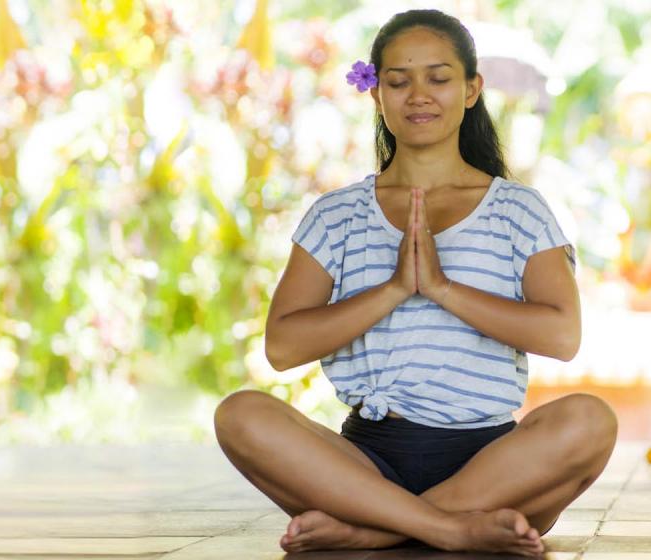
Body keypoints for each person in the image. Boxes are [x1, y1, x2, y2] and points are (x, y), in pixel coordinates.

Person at [213, 9, 617, 557]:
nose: (419, 96)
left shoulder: (520, 210)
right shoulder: (336, 215)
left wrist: (443, 288)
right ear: (376, 94)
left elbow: (562, 336)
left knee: (590, 420)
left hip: (490, 466)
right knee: (240, 414)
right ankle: (449, 528)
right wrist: (395, 289)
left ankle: (376, 529)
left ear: (471, 90)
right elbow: (282, 348)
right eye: (399, 81)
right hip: (362, 464)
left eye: (439, 78)